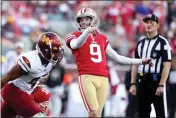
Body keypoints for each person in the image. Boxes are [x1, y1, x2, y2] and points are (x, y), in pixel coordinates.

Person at [65, 8, 152, 117]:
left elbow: (118, 58)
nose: (83, 22)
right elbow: (75, 45)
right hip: (86, 76)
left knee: (97, 115)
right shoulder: (74, 35)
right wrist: (87, 32)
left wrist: (141, 61)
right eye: (81, 19)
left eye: (86, 19)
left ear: (93, 20)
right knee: (94, 113)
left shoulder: (102, 38)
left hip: (103, 78)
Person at [1, 32, 64, 118]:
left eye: (57, 50)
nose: (56, 54)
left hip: (27, 91)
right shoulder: (30, 61)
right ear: (44, 50)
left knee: (45, 95)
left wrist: (38, 82)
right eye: (54, 51)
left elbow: (42, 75)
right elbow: (9, 76)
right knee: (38, 114)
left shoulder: (50, 62)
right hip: (14, 90)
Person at [129, 14, 172, 117]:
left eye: (152, 23)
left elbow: (167, 65)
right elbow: (135, 65)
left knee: (161, 113)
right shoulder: (140, 43)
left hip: (156, 81)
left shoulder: (163, 42)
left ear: (157, 26)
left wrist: (161, 84)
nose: (149, 25)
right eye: (147, 23)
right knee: (142, 113)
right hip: (142, 80)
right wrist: (133, 83)